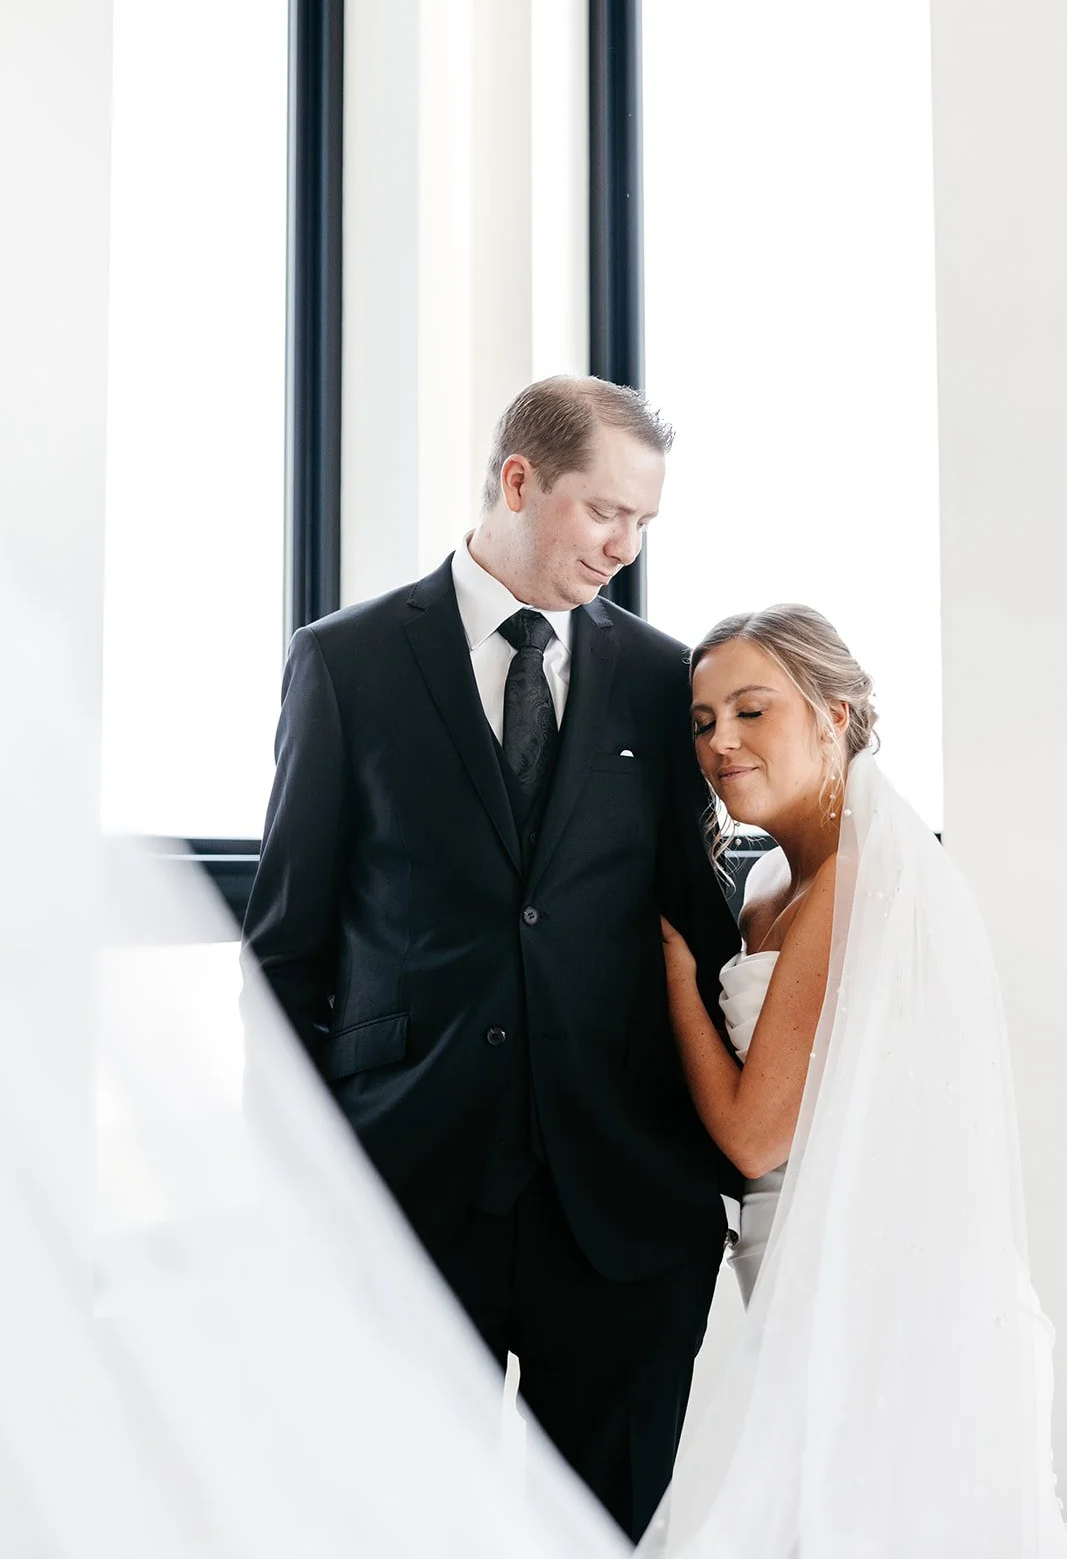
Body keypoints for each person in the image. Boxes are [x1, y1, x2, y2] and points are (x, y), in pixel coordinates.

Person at [240, 375, 741, 1542]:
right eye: (603, 513)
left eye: (642, 525)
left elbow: (694, 925)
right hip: (404, 1199)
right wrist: (298, 1192)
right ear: (518, 480)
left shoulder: (665, 681)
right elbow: (284, 951)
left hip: (619, 1219)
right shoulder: (345, 664)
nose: (622, 547)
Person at [649, 604, 1067, 1556]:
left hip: (870, 1285)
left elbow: (756, 1136)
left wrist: (673, 976)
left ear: (833, 715)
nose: (720, 742)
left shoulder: (857, 882)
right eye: (703, 721)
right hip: (785, 1265)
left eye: (752, 712)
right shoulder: (765, 883)